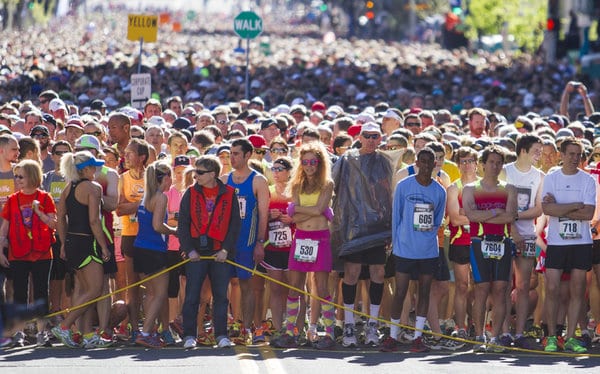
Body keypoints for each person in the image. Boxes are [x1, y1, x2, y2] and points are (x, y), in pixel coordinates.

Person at [331, 122, 394, 348]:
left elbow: (390, 192)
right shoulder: (347, 160)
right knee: (352, 273)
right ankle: (348, 324)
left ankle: (372, 325)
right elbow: (334, 187)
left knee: (378, 273)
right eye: (367, 136)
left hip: (378, 227)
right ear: (359, 137)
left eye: (375, 136)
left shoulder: (385, 162)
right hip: (354, 227)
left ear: (380, 138)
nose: (370, 140)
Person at [272, 144, 336, 349]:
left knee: (321, 286)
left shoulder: (327, 184)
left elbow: (318, 209)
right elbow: (299, 215)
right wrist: (311, 211)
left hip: (320, 238)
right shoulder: (297, 185)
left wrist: (298, 209)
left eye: (313, 162)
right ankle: (291, 331)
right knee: (294, 286)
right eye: (305, 162)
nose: (309, 166)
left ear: (320, 163)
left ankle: (329, 333)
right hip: (300, 237)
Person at [383, 147, 446, 352]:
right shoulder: (404, 186)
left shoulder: (439, 191)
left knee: (424, 292)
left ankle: (418, 337)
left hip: (427, 250)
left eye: (431, 162)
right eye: (423, 161)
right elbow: (396, 216)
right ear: (416, 163)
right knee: (400, 291)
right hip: (404, 249)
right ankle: (392, 335)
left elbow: (437, 221)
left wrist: (427, 238)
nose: (427, 166)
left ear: (435, 164)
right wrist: (395, 242)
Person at [178, 155, 241, 349]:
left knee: (221, 296)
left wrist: (225, 250)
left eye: (200, 172)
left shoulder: (229, 193)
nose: (195, 175)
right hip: (196, 253)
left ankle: (221, 335)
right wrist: (189, 250)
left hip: (220, 253)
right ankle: (189, 335)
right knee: (192, 296)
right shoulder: (190, 193)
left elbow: (234, 225)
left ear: (213, 174)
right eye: (195, 171)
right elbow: (183, 224)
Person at [542, 137, 595, 353]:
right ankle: (552, 337)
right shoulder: (551, 178)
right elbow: (547, 210)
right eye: (571, 154)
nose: (575, 158)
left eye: (578, 154)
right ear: (561, 155)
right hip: (556, 242)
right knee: (552, 288)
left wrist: (560, 207)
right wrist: (574, 205)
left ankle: (571, 337)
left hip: (581, 242)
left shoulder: (588, 181)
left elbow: (589, 214)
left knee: (577, 291)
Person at [52, 151, 111, 348]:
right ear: (84, 169)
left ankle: (85, 334)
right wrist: (103, 246)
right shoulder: (93, 188)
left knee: (84, 289)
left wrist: (62, 243)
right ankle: (65, 326)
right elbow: (94, 220)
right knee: (94, 289)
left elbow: (60, 217)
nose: (96, 170)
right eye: (93, 166)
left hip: (72, 243)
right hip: (88, 243)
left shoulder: (68, 187)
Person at [462, 145, 517, 352]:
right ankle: (479, 336)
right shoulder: (470, 189)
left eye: (498, 162)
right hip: (479, 242)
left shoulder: (509, 188)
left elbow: (511, 216)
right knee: (481, 290)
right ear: (483, 164)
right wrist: (496, 211)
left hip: (502, 240)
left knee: (501, 290)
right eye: (491, 162)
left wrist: (485, 213)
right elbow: (471, 215)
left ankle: (495, 337)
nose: (495, 166)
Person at [0, 160, 57, 347]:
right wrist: (1, 251)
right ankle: (19, 333)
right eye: (16, 176)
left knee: (42, 293)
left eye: (20, 176)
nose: (17, 180)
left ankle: (42, 333)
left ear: (32, 176)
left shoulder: (45, 198)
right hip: (18, 253)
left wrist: (39, 212)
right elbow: (4, 229)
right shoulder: (12, 199)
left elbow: (53, 223)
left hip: (42, 253)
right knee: (19, 295)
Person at [222, 138, 269, 344]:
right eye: (230, 153)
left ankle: (247, 327)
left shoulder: (258, 181)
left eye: (236, 154)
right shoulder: (225, 180)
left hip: (247, 241)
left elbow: (263, 214)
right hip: (227, 241)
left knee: (246, 283)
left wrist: (259, 242)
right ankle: (233, 322)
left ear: (248, 155)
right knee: (226, 284)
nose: (232, 157)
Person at [500, 134, 545, 349]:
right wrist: (511, 228)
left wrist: (516, 218)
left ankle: (519, 333)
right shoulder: (505, 171)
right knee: (504, 285)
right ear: (523, 151)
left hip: (527, 235)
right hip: (504, 235)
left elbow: (538, 208)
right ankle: (504, 331)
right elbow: (499, 206)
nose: (540, 155)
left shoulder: (539, 175)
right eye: (536, 150)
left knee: (524, 285)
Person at [132, 160, 177, 348]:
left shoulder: (146, 196)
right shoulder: (160, 197)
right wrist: (176, 231)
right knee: (159, 293)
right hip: (153, 250)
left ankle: (148, 331)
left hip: (140, 248)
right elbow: (158, 225)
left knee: (151, 294)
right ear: (165, 177)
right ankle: (145, 333)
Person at [257, 157, 293, 338]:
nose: (276, 172)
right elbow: (259, 217)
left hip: (293, 248)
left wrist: (293, 219)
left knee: (293, 289)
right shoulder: (268, 192)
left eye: (280, 169)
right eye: (274, 168)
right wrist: (270, 216)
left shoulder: (296, 191)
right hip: (272, 248)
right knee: (276, 288)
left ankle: (293, 326)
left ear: (289, 172)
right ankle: (279, 329)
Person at [446, 147, 479, 340]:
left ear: (476, 164)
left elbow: (493, 216)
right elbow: (455, 219)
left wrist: (468, 215)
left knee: (481, 286)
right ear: (458, 165)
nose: (467, 165)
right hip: (461, 241)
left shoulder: (485, 187)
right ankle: (461, 326)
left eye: (470, 161)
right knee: (461, 286)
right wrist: (479, 217)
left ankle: (477, 324)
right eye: (463, 161)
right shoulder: (454, 187)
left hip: (480, 241)